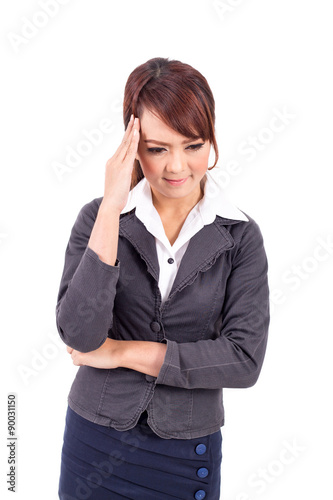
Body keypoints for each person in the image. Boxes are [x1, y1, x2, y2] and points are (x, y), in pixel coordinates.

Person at [56, 57, 270, 500]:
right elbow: (78, 332)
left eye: (193, 146)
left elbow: (243, 360)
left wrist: (121, 352)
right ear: (132, 145)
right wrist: (112, 207)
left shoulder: (240, 236)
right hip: (94, 442)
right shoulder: (99, 219)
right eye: (157, 148)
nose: (177, 167)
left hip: (185, 451)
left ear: (211, 140)